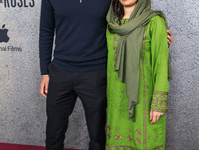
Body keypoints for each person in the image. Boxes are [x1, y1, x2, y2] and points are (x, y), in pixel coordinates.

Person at [39, 0, 173, 150]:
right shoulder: (50, 0)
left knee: (97, 136)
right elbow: (46, 30)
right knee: (53, 133)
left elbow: (129, 22)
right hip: (60, 72)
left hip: (95, 74)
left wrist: (158, 36)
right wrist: (45, 72)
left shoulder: (111, 2)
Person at [105, 0, 172, 149]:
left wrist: (158, 103)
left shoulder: (154, 22)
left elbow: (160, 65)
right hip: (117, 98)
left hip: (145, 100)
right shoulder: (111, 24)